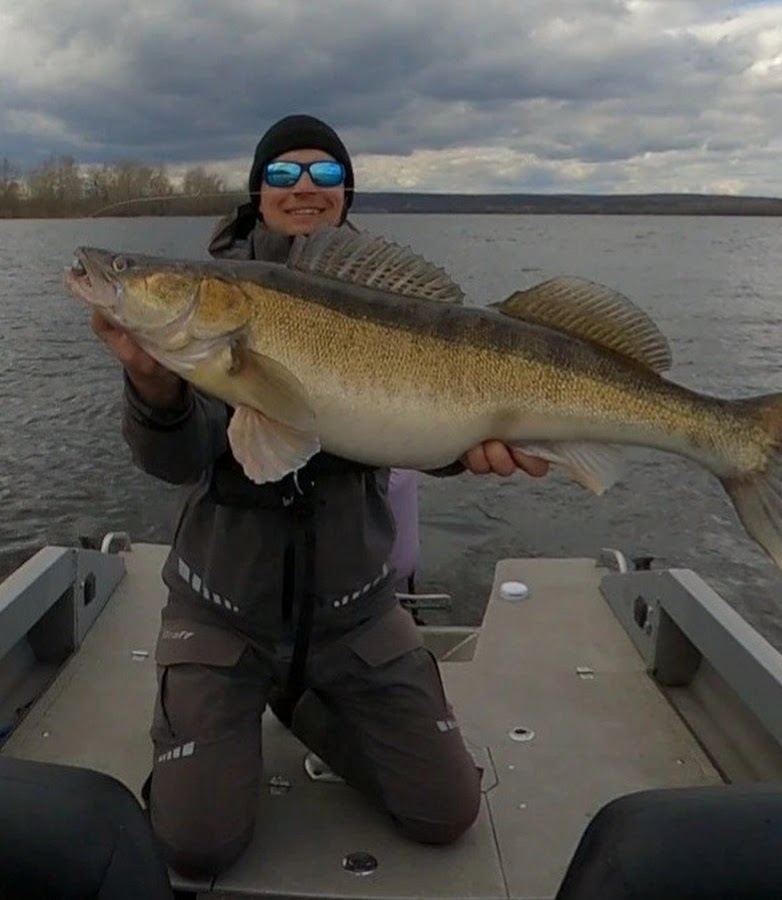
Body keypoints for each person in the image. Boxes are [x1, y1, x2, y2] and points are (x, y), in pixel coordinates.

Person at [90, 113, 549, 879]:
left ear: (345, 195)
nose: (305, 187)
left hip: (355, 615)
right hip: (223, 612)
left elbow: (417, 426)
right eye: (283, 173)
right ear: (257, 193)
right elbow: (178, 458)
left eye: (326, 174)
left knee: (447, 812)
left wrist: (469, 454)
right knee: (195, 846)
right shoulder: (216, 318)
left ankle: (298, 701)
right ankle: (229, 705)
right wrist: (151, 383)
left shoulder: (386, 300)